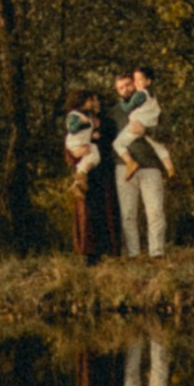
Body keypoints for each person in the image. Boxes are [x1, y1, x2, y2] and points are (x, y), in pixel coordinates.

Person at [113, 66, 173, 257]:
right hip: (123, 168)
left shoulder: (152, 105)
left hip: (150, 165)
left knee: (155, 211)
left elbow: (167, 134)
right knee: (128, 214)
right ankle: (133, 254)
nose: (126, 90)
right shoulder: (114, 113)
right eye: (121, 88)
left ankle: (156, 253)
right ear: (117, 91)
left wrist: (146, 131)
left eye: (129, 85)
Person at [62, 92, 116, 260]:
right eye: (92, 100)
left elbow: (111, 146)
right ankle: (89, 254)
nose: (95, 103)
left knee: (105, 210)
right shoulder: (78, 119)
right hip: (84, 173)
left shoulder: (107, 123)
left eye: (97, 100)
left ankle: (109, 250)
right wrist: (74, 153)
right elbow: (70, 143)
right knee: (86, 213)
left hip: (104, 172)